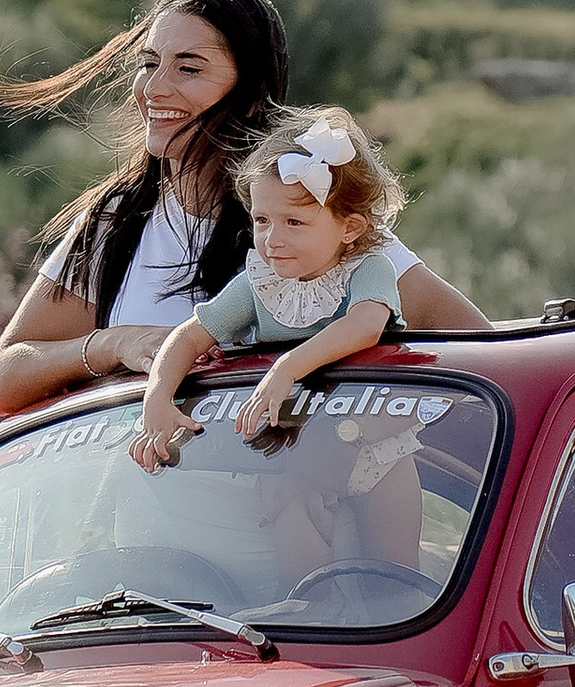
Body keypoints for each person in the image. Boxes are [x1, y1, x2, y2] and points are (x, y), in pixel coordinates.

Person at [0, 0, 485, 418]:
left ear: (251, 89)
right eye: (150, 63)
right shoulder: (115, 222)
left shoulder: (313, 215)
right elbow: (6, 380)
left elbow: (481, 351)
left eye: (189, 68)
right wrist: (114, 344)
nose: (154, 88)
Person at [129, 111, 410, 466]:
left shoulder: (368, 269)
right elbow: (189, 337)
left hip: (371, 440)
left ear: (350, 228)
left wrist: (286, 368)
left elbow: (365, 326)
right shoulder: (260, 285)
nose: (272, 239)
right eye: (262, 220)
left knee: (390, 520)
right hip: (290, 449)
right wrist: (157, 398)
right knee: (288, 510)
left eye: (294, 222)